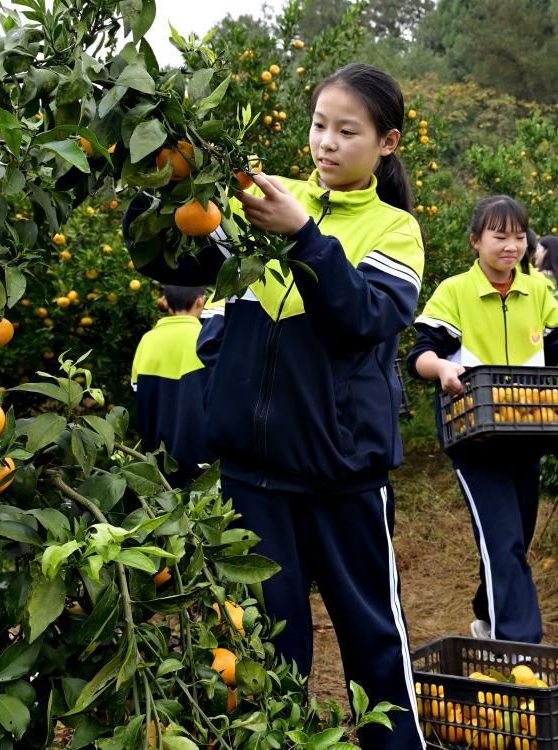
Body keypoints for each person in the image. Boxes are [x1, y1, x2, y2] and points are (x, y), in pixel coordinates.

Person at [124, 63, 425, 750]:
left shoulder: (394, 230)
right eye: (320, 125)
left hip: (340, 475)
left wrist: (303, 237)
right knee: (265, 651)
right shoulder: (267, 200)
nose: (327, 143)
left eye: (348, 131)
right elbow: (179, 262)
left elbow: (360, 318)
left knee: (373, 642)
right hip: (254, 476)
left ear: (387, 142)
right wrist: (153, 173)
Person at [407, 195, 558, 644]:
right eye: (499, 236)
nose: (510, 245)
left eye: (518, 237)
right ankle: (519, 644)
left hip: (527, 432)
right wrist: (443, 368)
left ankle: (487, 612)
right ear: (475, 241)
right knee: (504, 539)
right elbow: (421, 356)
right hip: (474, 438)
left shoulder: (538, 292)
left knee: (515, 537)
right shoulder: (455, 292)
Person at [130, 285, 213, 485]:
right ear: (201, 300)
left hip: (158, 462)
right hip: (203, 463)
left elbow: (137, 392)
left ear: (165, 302)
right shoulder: (207, 340)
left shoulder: (147, 340)